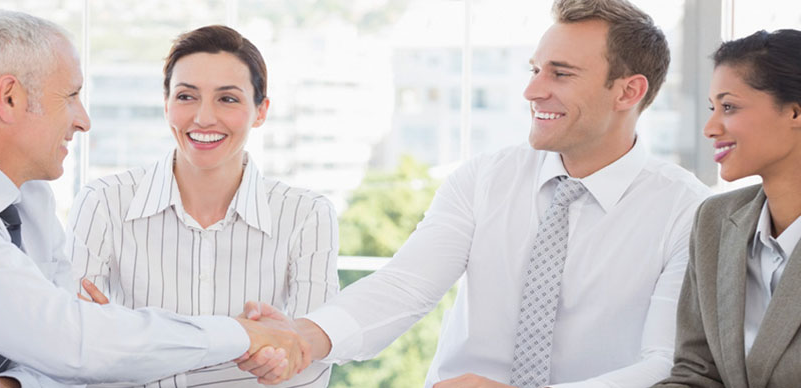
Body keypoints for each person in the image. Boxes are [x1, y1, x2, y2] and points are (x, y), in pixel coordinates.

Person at [236, 0, 714, 386]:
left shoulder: (688, 212)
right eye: (534, 70)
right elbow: (404, 286)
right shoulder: (485, 178)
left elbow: (663, 364)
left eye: (560, 74)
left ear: (628, 92)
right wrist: (305, 335)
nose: (532, 91)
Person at [0, 10, 307, 388]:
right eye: (72, 96)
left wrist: (4, 384)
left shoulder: (26, 193)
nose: (84, 120)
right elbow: (75, 342)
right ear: (10, 98)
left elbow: (69, 351)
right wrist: (242, 335)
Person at [67, 25, 337, 388]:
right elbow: (77, 348)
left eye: (227, 99)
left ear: (261, 111)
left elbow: (308, 366)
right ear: (166, 106)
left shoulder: (307, 215)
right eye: (186, 97)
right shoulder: (103, 202)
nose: (204, 118)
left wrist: (131, 336)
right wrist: (244, 342)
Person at [653, 29, 801, 388]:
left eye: (729, 107)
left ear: (795, 112)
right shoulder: (714, 221)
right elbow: (696, 372)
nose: (710, 127)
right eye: (712, 108)